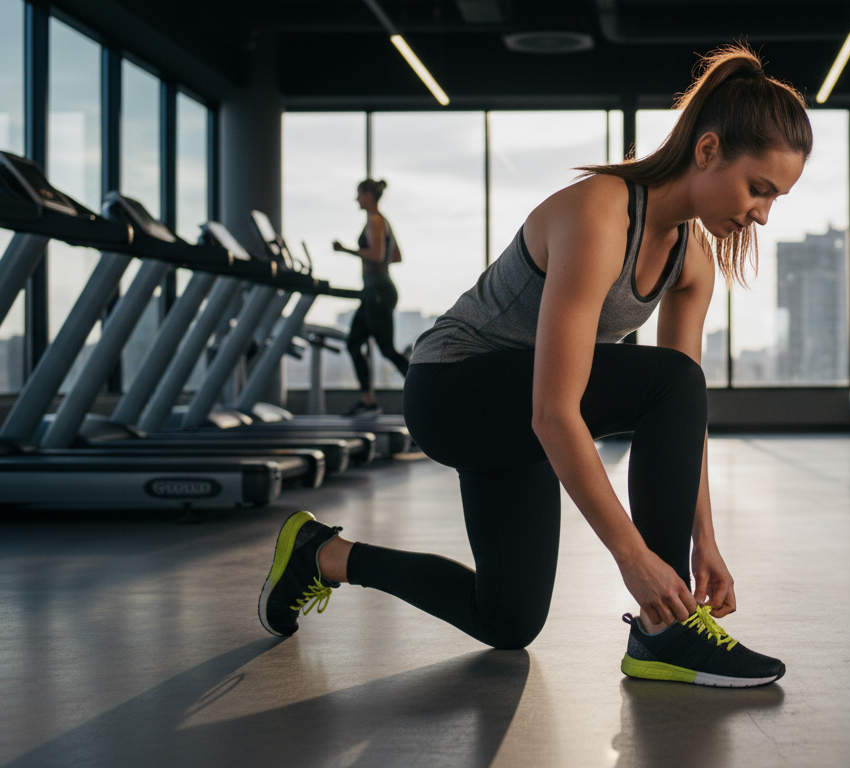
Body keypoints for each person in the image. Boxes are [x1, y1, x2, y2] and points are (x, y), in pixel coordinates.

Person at [259, 45, 811, 688]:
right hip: (452, 391)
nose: (763, 214)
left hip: (515, 407)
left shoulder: (692, 262)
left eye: (776, 199)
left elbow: (685, 419)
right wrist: (633, 559)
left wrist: (704, 541)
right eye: (759, 189)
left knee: (507, 620)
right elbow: (556, 412)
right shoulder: (602, 213)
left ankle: (320, 555)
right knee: (672, 379)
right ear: (709, 150)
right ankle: (666, 632)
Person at [332, 178, 410, 416]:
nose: (357, 199)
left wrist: (345, 250)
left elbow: (377, 256)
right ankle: (367, 402)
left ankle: (429, 390)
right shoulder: (382, 221)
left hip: (377, 291)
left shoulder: (375, 221)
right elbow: (395, 256)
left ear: (368, 195)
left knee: (386, 349)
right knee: (354, 343)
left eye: (359, 194)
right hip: (375, 291)